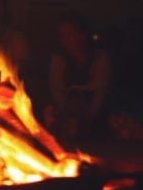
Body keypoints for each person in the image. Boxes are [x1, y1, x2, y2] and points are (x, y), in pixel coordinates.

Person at [45, 12, 113, 143]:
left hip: (92, 108)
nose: (64, 39)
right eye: (62, 35)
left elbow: (100, 91)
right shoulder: (59, 58)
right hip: (65, 107)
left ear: (82, 35)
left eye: (69, 34)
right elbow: (56, 88)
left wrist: (90, 116)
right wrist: (66, 111)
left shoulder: (99, 58)